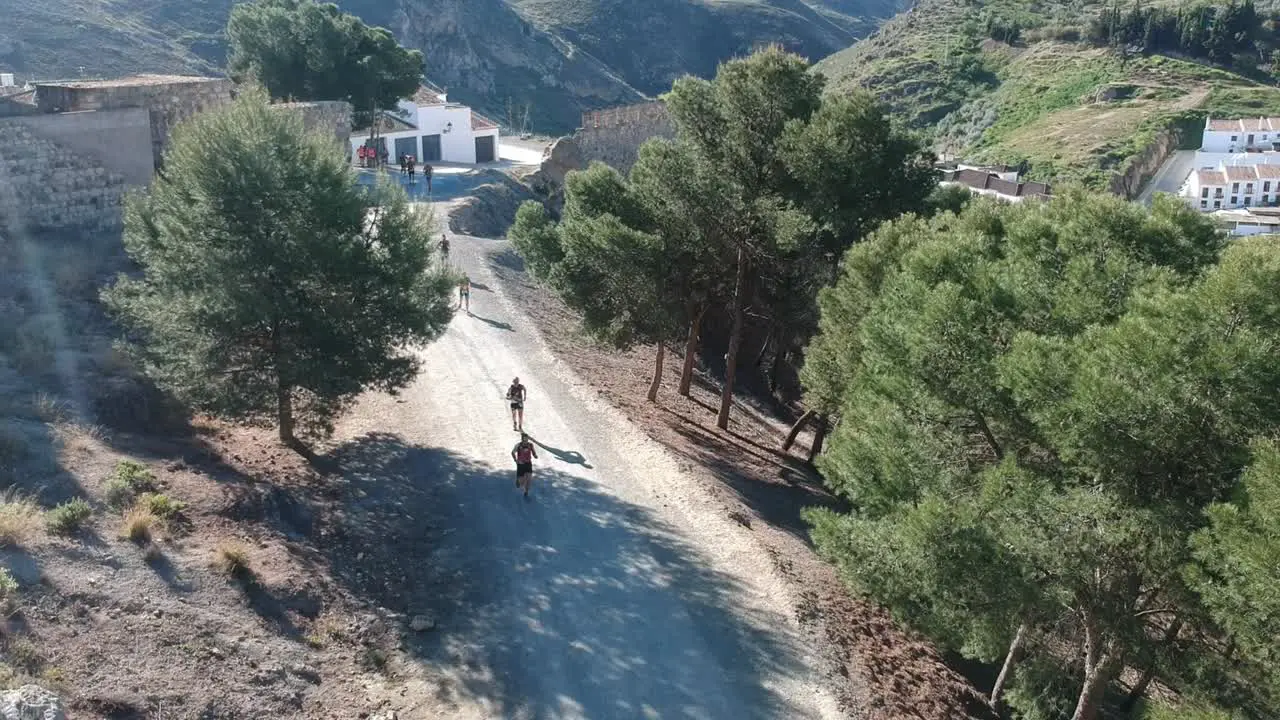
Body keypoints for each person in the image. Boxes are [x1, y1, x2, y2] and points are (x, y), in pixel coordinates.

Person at [511, 433, 538, 497]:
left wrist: (535, 455)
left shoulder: (530, 445)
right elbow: (512, 452)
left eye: (527, 439)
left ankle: (526, 491)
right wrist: (515, 459)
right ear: (522, 439)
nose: (526, 440)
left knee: (529, 478)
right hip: (520, 464)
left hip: (528, 463)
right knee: (521, 482)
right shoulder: (518, 445)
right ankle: (518, 479)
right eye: (524, 439)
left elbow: (533, 451)